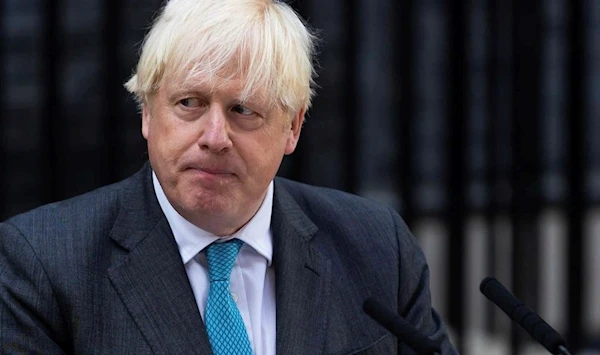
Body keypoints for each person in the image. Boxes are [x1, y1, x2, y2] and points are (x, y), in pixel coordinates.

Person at [0, 0, 458, 354]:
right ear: (147, 113)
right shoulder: (43, 264)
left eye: (244, 110)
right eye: (189, 104)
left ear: (293, 127)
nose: (215, 137)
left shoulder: (377, 247)